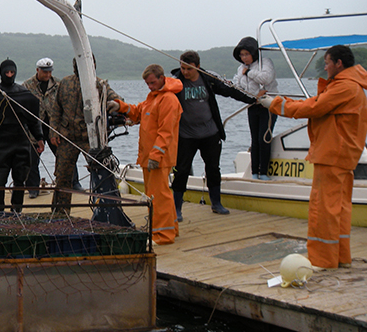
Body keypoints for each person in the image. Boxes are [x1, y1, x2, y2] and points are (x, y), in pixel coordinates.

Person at [259, 45, 367, 270]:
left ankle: (322, 260)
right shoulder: (353, 86)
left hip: (332, 154)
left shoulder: (344, 87)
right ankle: (340, 257)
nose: (325, 67)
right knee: (339, 207)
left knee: (323, 208)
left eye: (327, 63)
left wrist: (276, 104)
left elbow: (314, 106)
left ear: (339, 63)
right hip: (342, 155)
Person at [171, 51, 256, 219]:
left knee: (213, 169)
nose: (185, 72)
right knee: (181, 170)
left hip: (210, 133)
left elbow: (230, 91)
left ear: (198, 67)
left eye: (189, 69)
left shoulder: (208, 79)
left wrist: (253, 100)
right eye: (183, 68)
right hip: (186, 135)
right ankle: (176, 209)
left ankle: (216, 203)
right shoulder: (176, 82)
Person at [112, 64, 183, 245]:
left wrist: (155, 156)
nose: (150, 86)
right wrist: (119, 106)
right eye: (147, 84)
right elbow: (137, 112)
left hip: (158, 157)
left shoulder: (168, 100)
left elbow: (165, 132)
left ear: (161, 78)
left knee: (158, 196)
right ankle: (171, 229)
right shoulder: (153, 98)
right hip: (149, 156)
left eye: (152, 82)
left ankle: (163, 236)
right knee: (159, 193)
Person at [49, 56, 122, 214]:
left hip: (90, 139)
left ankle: (106, 211)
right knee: (62, 177)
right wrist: (53, 131)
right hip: (67, 137)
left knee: (100, 173)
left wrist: (115, 105)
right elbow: (56, 110)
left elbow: (117, 99)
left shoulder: (99, 84)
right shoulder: (65, 83)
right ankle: (60, 213)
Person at [0, 59, 45, 212]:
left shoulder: (25, 96)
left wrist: (39, 138)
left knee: (20, 179)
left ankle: (17, 211)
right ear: (1, 73)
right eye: (7, 72)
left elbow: (33, 120)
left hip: (22, 141)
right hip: (1, 142)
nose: (9, 75)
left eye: (12, 72)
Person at [22, 57, 80, 198]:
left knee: (65, 155)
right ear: (37, 70)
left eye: (49, 72)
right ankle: (33, 188)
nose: (47, 75)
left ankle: (74, 183)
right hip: (36, 128)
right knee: (32, 158)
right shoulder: (27, 86)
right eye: (44, 72)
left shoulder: (59, 84)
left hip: (55, 128)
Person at [233, 36, 279, 180]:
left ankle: (264, 172)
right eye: (242, 55)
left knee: (263, 138)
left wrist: (248, 73)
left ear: (253, 53)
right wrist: (253, 96)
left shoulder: (265, 62)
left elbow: (266, 78)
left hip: (268, 105)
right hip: (253, 105)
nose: (244, 58)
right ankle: (254, 172)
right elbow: (237, 85)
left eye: (247, 54)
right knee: (254, 139)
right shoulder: (240, 68)